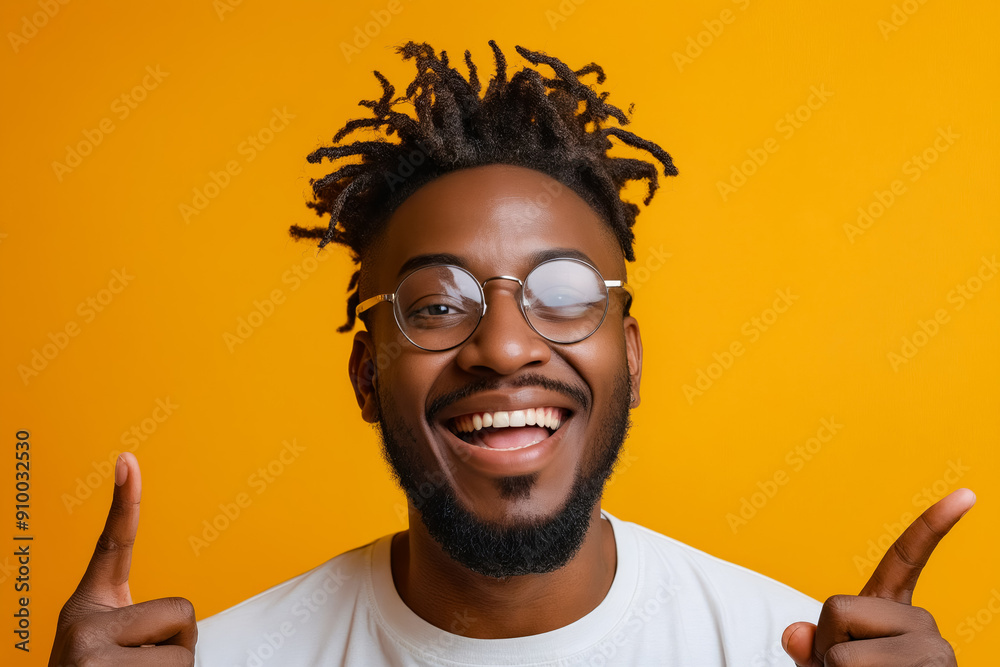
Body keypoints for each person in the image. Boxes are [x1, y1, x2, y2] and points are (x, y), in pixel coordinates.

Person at [50, 40, 974, 667]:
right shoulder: (236, 658)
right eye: (437, 303)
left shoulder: (776, 648)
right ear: (367, 376)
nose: (501, 343)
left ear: (634, 357)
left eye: (566, 295)